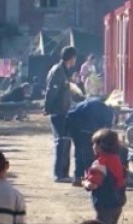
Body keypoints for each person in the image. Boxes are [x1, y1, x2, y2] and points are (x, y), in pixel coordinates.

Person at [83, 129, 127, 224]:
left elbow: (93, 184)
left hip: (104, 203)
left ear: (101, 146)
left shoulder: (100, 163)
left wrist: (85, 182)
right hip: (118, 202)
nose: (92, 147)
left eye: (94, 144)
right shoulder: (118, 160)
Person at [45, 46, 77, 183]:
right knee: (61, 142)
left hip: (64, 111)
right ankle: (59, 174)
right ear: (72, 58)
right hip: (59, 112)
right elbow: (51, 91)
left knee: (65, 141)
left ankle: (64, 172)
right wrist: (48, 107)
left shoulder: (63, 71)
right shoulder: (58, 71)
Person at [67, 98, 115, 186]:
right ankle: (91, 178)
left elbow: (70, 115)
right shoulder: (108, 111)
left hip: (77, 130)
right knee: (89, 155)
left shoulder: (83, 104)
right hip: (89, 132)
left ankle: (78, 177)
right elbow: (107, 129)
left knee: (79, 153)